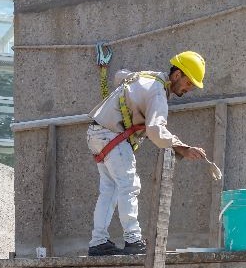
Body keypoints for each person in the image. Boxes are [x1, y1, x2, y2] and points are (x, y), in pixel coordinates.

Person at [85, 50, 222, 256]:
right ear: (176, 75)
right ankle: (133, 240)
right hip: (111, 135)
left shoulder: (148, 77)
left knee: (110, 189)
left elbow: (119, 76)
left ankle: (98, 242)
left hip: (97, 134)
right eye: (188, 82)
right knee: (129, 185)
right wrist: (183, 148)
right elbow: (155, 130)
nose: (189, 88)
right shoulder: (157, 92)